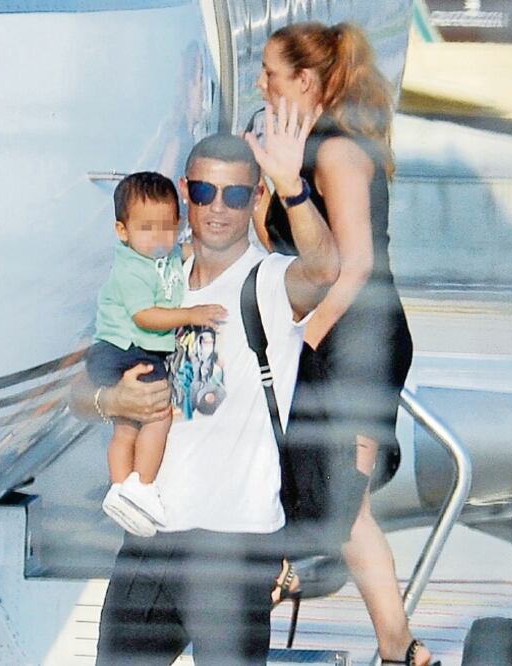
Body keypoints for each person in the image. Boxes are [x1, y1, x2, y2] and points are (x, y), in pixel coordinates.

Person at [73, 118, 340, 663]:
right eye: (203, 191)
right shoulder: (153, 278)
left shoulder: (265, 284)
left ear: (255, 198)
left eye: (236, 194)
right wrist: (112, 401)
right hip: (149, 539)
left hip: (233, 544)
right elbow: (80, 386)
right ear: (185, 191)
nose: (218, 207)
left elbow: (324, 269)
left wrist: (294, 186)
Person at [247, 21, 431, 666]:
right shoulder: (303, 151)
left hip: (359, 338)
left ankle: (400, 649)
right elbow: (280, 248)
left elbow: (354, 267)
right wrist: (270, 181)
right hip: (325, 333)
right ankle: (398, 647)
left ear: (305, 80)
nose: (260, 82)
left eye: (271, 72)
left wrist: (301, 342)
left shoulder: (339, 152)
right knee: (316, 493)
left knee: (347, 508)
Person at [88, 171, 226, 537]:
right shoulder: (132, 268)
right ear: (122, 231)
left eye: (166, 227)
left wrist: (199, 247)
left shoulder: (160, 258)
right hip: (125, 349)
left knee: (126, 426)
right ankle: (141, 487)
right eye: (146, 228)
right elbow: (145, 317)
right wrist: (192, 315)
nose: (157, 237)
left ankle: (120, 490)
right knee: (157, 416)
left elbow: (179, 257)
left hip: (123, 349)